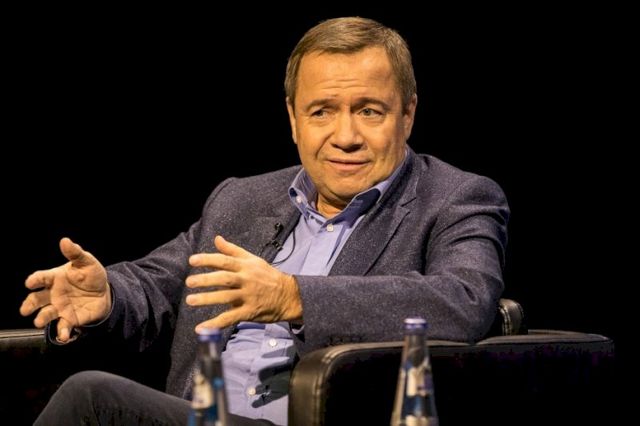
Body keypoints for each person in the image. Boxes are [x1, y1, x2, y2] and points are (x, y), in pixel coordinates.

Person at [19, 16, 509, 426]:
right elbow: (161, 284)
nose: (345, 136)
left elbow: (464, 300)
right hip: (202, 414)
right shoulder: (244, 199)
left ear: (407, 115)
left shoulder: (453, 199)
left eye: (369, 111)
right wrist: (108, 297)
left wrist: (294, 298)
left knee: (92, 399)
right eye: (322, 112)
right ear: (294, 119)